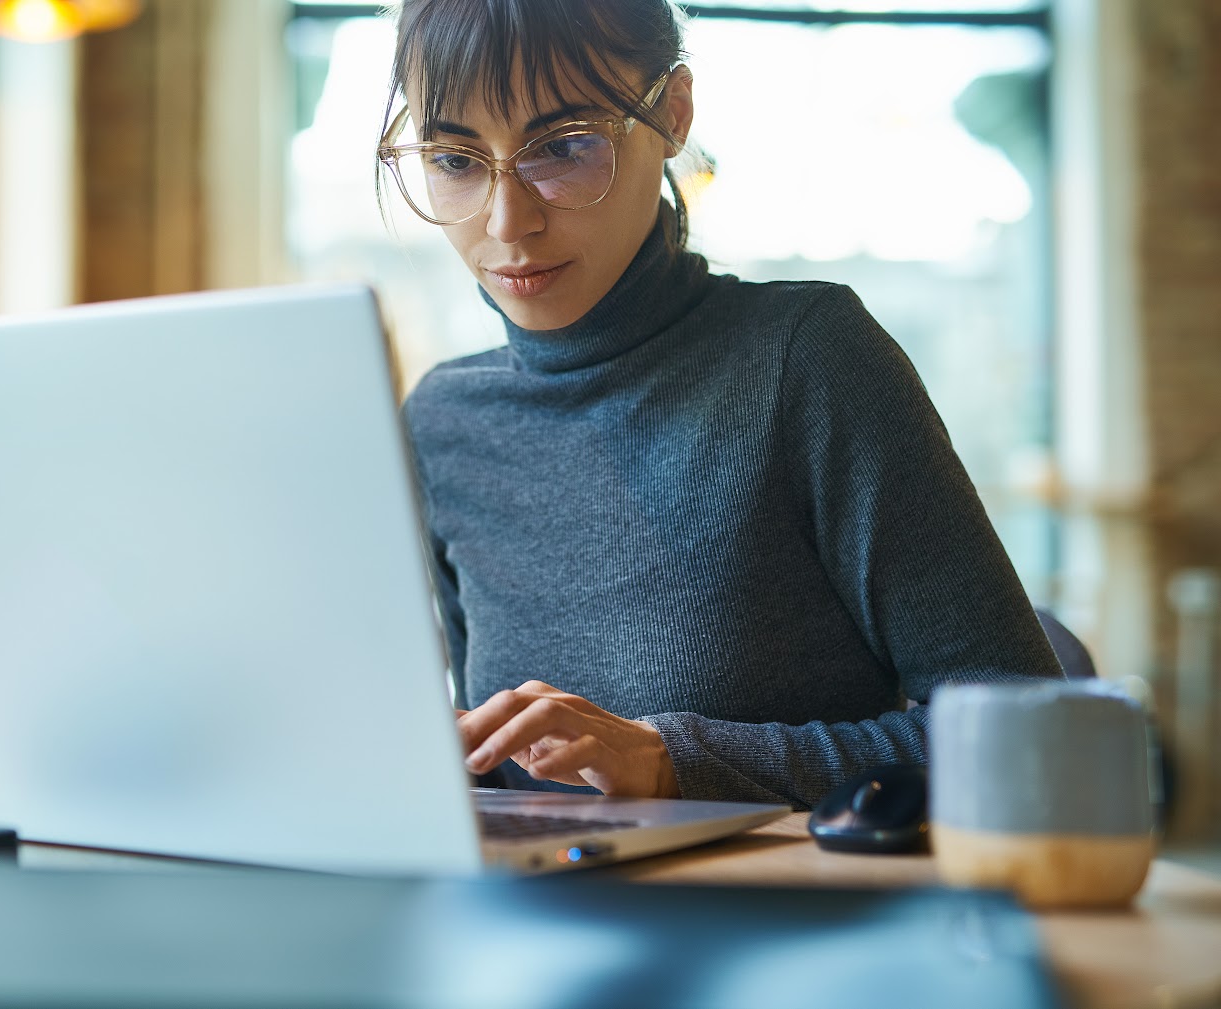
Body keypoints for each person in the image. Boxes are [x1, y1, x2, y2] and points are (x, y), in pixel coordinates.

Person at [379, 0, 1064, 810]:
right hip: (530, 921)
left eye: (563, 148)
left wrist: (677, 761)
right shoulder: (443, 423)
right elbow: (501, 779)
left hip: (787, 922)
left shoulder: (807, 358)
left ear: (672, 113)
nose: (507, 220)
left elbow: (1034, 737)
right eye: (455, 159)